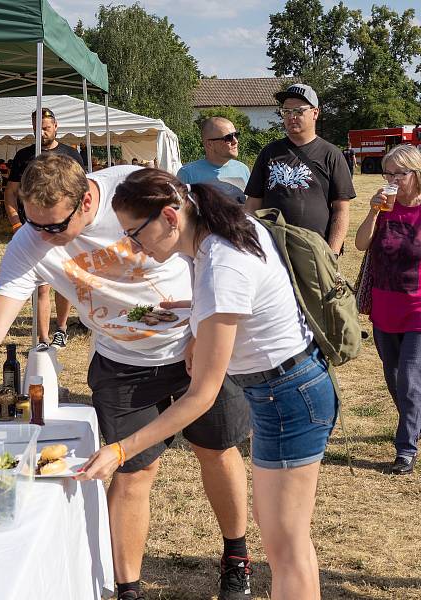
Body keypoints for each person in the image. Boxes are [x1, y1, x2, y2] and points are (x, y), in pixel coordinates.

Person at [0, 155, 253, 600]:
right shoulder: (31, 242)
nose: (41, 237)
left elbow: (201, 243)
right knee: (133, 471)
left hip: (191, 349)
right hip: (121, 363)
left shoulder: (132, 188)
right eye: (32, 223)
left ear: (86, 202)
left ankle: (236, 559)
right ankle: (129, 589)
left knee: (217, 451)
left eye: (53, 227)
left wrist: (203, 326)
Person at [76, 167, 336, 600]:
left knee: (285, 545)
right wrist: (199, 314)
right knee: (287, 539)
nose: (131, 247)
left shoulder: (220, 262)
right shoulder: (219, 230)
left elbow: (202, 395)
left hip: (289, 395)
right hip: (285, 389)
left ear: (170, 217)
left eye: (134, 233)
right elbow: (245, 300)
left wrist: (122, 449)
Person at [354, 144, 421, 475]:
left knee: (409, 379)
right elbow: (360, 244)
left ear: (415, 175)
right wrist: (372, 212)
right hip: (384, 306)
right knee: (395, 379)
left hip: (417, 309)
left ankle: (405, 450)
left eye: (399, 173)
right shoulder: (383, 209)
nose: (392, 180)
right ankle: (415, 421)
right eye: (388, 173)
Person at [5, 108, 84, 350]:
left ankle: (61, 329)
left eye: (46, 127)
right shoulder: (24, 156)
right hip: (34, 228)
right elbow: (10, 193)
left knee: (63, 280)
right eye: (36, 127)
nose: (41, 131)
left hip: (64, 228)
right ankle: (43, 338)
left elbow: (85, 190)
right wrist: (16, 222)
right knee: (41, 285)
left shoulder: (70, 154)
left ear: (56, 126)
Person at [244, 84, 354, 255]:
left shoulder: (331, 154)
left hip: (315, 252)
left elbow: (341, 209)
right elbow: (252, 204)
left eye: (298, 111)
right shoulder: (269, 152)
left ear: (315, 113)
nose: (291, 117)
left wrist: (332, 253)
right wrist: (250, 244)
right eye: (286, 111)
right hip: (273, 250)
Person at [178, 117, 250, 203]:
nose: (235, 141)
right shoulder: (188, 173)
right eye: (228, 137)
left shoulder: (243, 169)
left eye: (236, 135)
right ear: (209, 144)